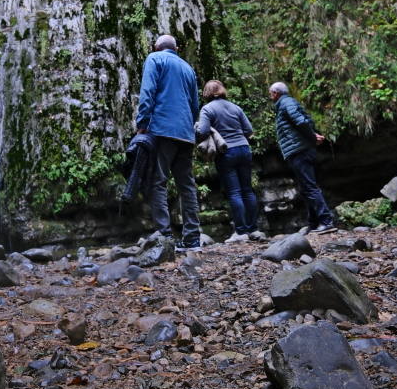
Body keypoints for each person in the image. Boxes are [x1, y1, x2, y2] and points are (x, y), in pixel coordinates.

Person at [136, 34, 202, 251]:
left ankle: (165, 237)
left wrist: (143, 122)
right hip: (185, 133)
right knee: (187, 185)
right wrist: (189, 126)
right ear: (176, 48)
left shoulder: (155, 59)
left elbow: (148, 92)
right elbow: (195, 104)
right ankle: (192, 239)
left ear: (156, 46)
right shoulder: (188, 68)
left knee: (159, 181)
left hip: (163, 129)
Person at [268, 81, 337, 232]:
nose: (270, 96)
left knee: (310, 186)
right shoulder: (284, 104)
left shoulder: (286, 103)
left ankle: (326, 221)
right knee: (306, 187)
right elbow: (304, 120)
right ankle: (314, 222)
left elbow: (300, 121)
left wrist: (312, 136)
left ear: (276, 93)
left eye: (271, 93)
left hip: (300, 151)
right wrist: (313, 136)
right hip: (299, 150)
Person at [197, 80, 261, 242]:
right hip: (244, 149)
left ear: (207, 93)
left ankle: (240, 232)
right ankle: (253, 229)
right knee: (247, 190)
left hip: (227, 152)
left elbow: (203, 131)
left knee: (234, 192)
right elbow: (248, 130)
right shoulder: (235, 107)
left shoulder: (207, 109)